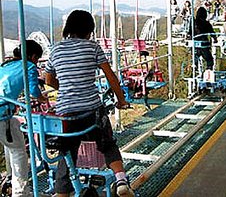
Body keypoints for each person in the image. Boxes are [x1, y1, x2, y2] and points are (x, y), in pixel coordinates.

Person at [44, 10, 134, 197]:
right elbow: (110, 76)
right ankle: (121, 181)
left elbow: (48, 80)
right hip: (91, 111)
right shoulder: (92, 47)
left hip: (66, 114)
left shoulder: (55, 49)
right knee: (108, 144)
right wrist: (122, 100)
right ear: (90, 29)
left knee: (67, 153)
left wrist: (66, 89)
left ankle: (62, 193)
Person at [0, 40, 47, 196]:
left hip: (7, 115)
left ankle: (10, 179)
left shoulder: (6, 65)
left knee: (12, 140)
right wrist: (41, 98)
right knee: (18, 152)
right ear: (33, 57)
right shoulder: (30, 66)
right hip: (2, 114)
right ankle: (20, 192)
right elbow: (33, 90)